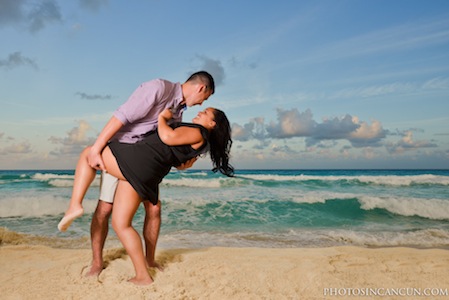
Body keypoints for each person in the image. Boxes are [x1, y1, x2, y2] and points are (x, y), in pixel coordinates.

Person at [58, 107, 234, 285]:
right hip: (143, 173)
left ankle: (75, 204)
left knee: (88, 153)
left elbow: (167, 137)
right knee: (120, 224)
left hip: (137, 164)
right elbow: (178, 158)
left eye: (205, 113)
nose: (200, 112)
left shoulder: (199, 132)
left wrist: (162, 118)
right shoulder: (202, 143)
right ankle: (142, 276)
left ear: (212, 124)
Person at [81, 71, 215, 276]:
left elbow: (167, 146)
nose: (199, 104)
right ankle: (97, 262)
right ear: (201, 88)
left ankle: (149, 260)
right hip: (121, 151)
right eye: (204, 99)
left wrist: (181, 163)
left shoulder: (179, 112)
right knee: (105, 209)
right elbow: (122, 115)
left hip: (143, 164)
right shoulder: (159, 88)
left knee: (154, 209)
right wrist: (97, 148)